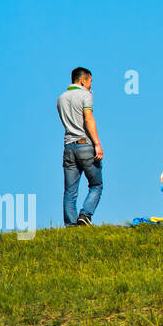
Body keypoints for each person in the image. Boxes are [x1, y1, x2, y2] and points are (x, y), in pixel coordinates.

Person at [57, 67, 103, 226]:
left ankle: (71, 225)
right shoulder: (85, 96)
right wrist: (97, 144)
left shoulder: (61, 98)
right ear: (83, 80)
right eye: (90, 81)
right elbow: (88, 119)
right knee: (96, 184)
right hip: (85, 145)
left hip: (68, 147)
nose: (91, 85)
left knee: (70, 191)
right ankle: (85, 214)